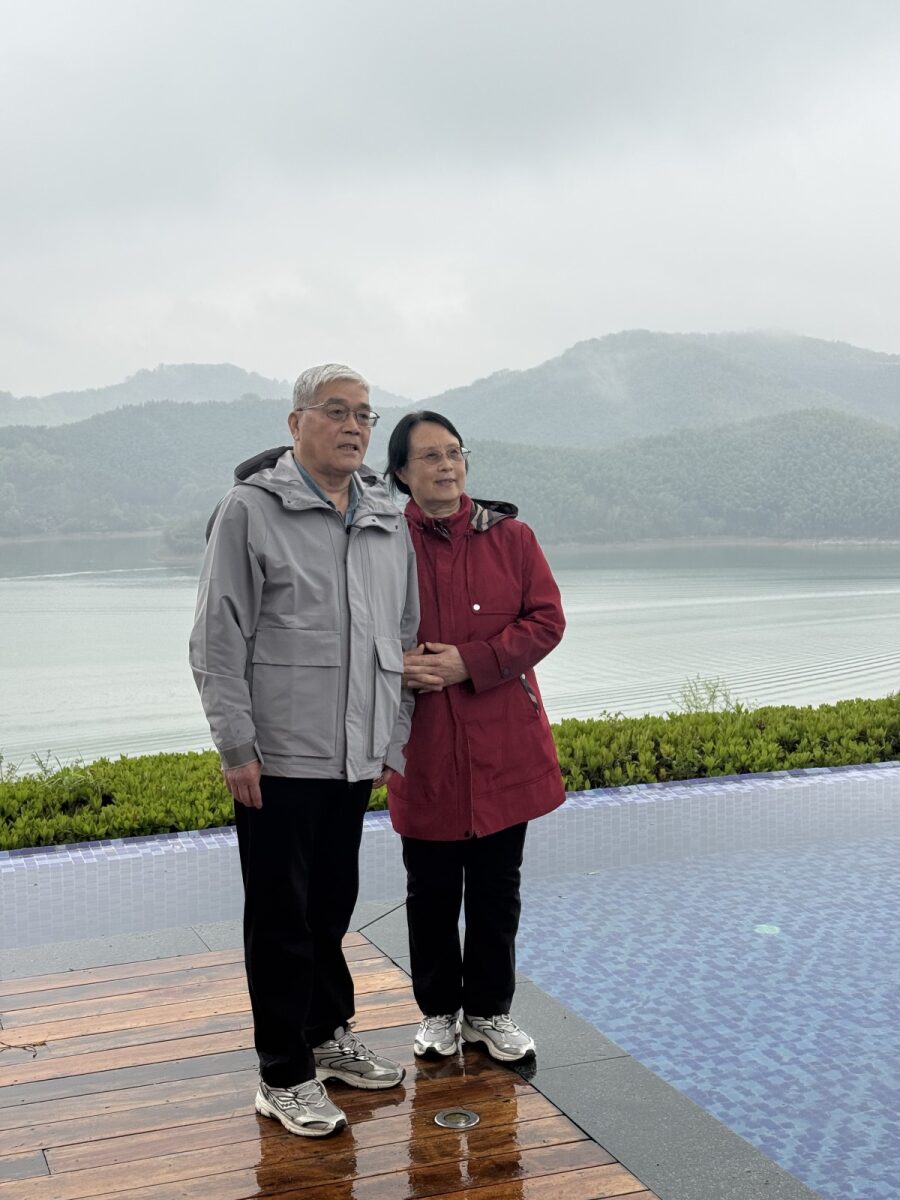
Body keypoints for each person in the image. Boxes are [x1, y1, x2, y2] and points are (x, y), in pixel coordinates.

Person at [189, 364, 419, 1137]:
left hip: (354, 755)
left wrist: (392, 736)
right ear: (296, 424)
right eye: (336, 412)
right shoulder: (250, 511)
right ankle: (281, 1073)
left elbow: (405, 638)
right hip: (279, 756)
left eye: (363, 414)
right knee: (281, 918)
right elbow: (218, 640)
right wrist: (237, 746)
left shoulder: (388, 517)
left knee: (329, 907)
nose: (354, 426)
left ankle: (326, 1036)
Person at [384, 411, 565, 1064]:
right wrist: (394, 663)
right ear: (401, 473)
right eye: (429, 456)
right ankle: (438, 1013)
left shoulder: (510, 537)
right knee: (429, 891)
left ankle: (489, 1012)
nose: (446, 465)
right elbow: (351, 629)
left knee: (496, 889)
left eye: (454, 452)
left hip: (502, 749)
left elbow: (547, 621)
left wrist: (470, 662)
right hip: (421, 747)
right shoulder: (380, 543)